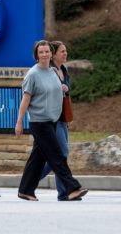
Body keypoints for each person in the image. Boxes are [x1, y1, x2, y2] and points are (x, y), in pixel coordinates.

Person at [15, 40, 88, 202]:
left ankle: (25, 190)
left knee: (37, 159)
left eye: (47, 51)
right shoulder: (32, 75)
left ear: (51, 53)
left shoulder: (53, 72)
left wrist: (63, 89)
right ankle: (72, 188)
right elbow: (25, 100)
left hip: (53, 120)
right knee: (57, 155)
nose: (44, 55)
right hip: (39, 122)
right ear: (36, 55)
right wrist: (19, 122)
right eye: (41, 52)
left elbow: (56, 92)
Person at [38, 40, 72, 201]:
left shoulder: (63, 70)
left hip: (62, 118)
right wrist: (60, 89)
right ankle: (64, 191)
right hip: (52, 118)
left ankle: (62, 192)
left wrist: (68, 117)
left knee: (59, 156)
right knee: (62, 153)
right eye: (62, 51)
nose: (65, 54)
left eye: (65, 51)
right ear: (54, 54)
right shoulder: (49, 71)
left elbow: (66, 96)